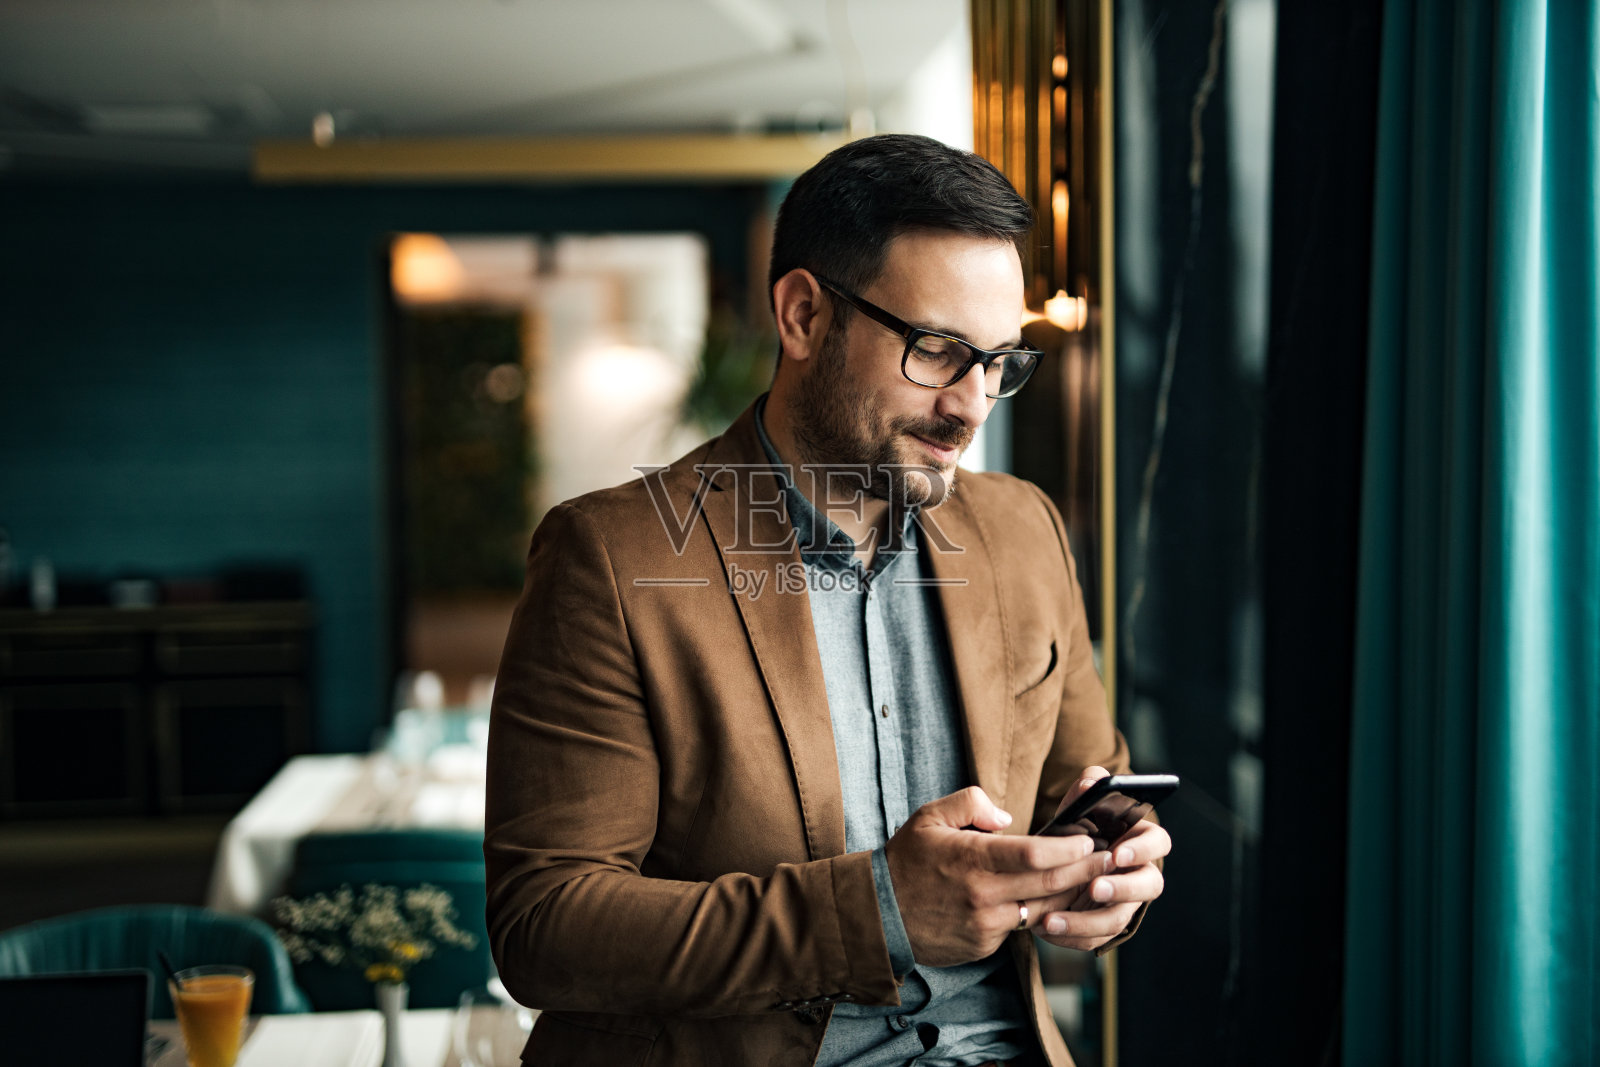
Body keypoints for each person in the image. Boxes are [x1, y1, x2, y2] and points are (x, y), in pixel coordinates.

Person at [484, 133, 1171, 1067]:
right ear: (804, 315)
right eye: (938, 350)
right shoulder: (610, 555)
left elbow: (1080, 787)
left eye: (999, 362)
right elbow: (546, 923)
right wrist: (876, 910)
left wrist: (1108, 878)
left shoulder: (1024, 529)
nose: (973, 406)